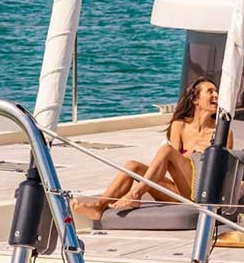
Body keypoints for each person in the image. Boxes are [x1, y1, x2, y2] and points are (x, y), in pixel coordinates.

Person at [73, 78, 233, 220]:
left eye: (216, 92)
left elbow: (225, 171)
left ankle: (135, 194)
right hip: (177, 191)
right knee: (132, 166)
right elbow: (171, 166)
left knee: (166, 150)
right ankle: (98, 207)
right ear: (195, 99)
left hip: (200, 192)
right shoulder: (180, 125)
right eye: (210, 91)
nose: (216, 95)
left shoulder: (222, 133)